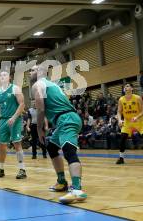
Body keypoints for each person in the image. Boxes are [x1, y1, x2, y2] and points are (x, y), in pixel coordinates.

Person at [30, 65, 87, 204]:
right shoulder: (51, 84)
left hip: (66, 119)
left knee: (69, 152)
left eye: (32, 70)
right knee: (52, 147)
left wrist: (39, 129)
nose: (30, 72)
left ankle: (77, 190)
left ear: (40, 72)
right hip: (65, 119)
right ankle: (61, 182)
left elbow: (41, 109)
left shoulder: (38, 84)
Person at [0, 70, 26, 179]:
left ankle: (22, 169)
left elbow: (22, 104)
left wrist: (14, 117)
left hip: (15, 119)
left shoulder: (15, 88)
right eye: (1, 75)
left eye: (5, 75)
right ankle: (0, 169)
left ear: (9, 77)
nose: (2, 76)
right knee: (2, 145)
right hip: (3, 121)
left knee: (17, 143)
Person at [115, 83, 143, 164]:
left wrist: (137, 117)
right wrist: (120, 120)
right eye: (125, 87)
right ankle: (121, 158)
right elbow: (119, 112)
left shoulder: (138, 98)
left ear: (132, 88)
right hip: (127, 121)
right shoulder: (121, 99)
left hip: (139, 121)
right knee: (122, 138)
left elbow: (142, 111)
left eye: (127, 86)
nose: (126, 88)